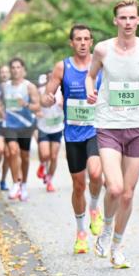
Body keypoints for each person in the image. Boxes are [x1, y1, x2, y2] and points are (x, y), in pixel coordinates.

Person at [86, 0, 139, 269]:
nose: (128, 23)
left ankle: (117, 246)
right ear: (115, 21)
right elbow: (90, 75)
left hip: (137, 126)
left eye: (132, 18)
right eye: (123, 18)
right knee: (115, 188)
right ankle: (106, 228)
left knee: (128, 194)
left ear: (138, 20)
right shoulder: (103, 49)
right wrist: (89, 89)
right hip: (108, 125)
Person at [44, 24, 105, 254]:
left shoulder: (100, 65)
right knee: (78, 185)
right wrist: (48, 99)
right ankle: (81, 233)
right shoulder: (62, 67)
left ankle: (94, 208)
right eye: (78, 39)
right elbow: (46, 96)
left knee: (97, 173)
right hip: (72, 134)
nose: (82, 43)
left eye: (86, 39)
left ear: (91, 42)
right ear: (71, 43)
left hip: (95, 129)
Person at [0, 57, 41, 201]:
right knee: (12, 151)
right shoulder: (5, 86)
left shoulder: (29, 86)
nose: (16, 70)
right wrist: (1, 112)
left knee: (25, 157)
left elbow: (37, 107)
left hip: (25, 126)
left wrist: (25, 105)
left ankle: (23, 185)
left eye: (18, 67)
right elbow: (0, 103)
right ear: (10, 70)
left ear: (23, 70)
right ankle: (15, 183)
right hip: (10, 125)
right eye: (13, 67)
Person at [35, 73, 64, 192]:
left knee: (53, 156)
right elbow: (36, 104)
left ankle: (50, 180)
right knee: (45, 154)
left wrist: (64, 104)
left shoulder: (62, 91)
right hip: (44, 127)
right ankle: (42, 165)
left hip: (57, 127)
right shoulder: (41, 90)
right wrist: (37, 111)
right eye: (49, 78)